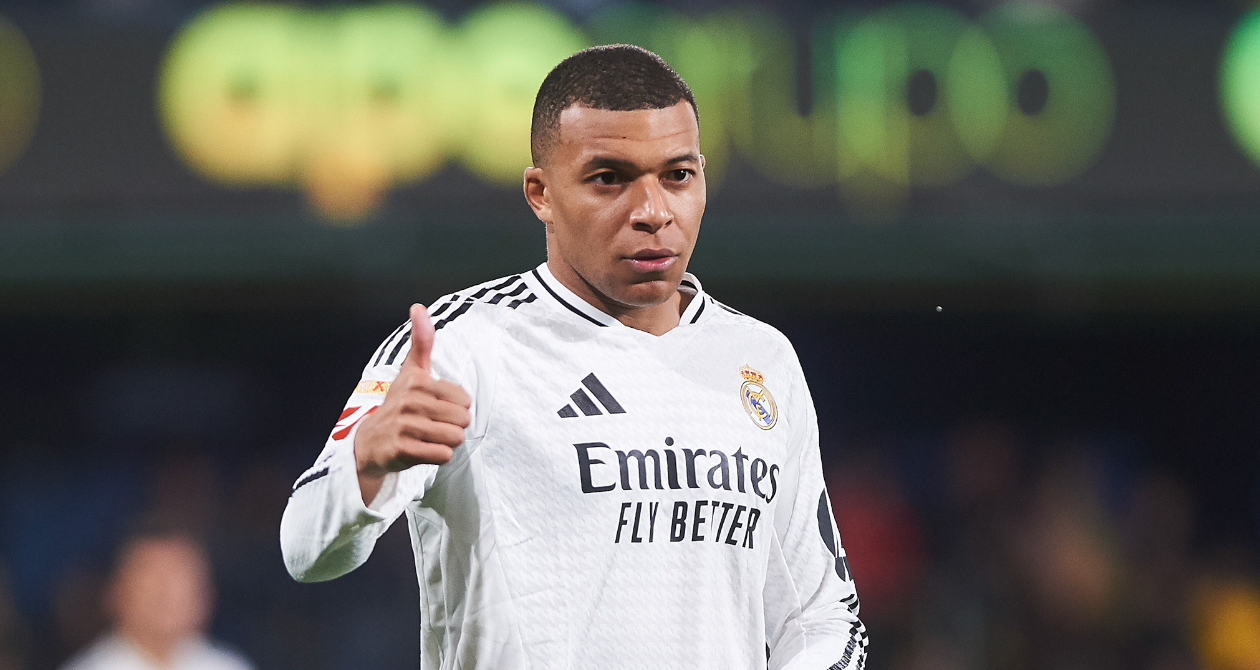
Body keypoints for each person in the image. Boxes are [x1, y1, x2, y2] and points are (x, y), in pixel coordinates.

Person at [281, 44, 865, 670]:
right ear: (541, 193)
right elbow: (305, 549)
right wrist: (366, 464)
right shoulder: (462, 344)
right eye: (609, 178)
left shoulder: (761, 359)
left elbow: (822, 616)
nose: (653, 213)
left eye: (677, 176)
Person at [61, 527, 253, 670]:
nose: (167, 592)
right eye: (153, 577)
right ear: (117, 592)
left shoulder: (229, 665)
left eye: (180, 577)